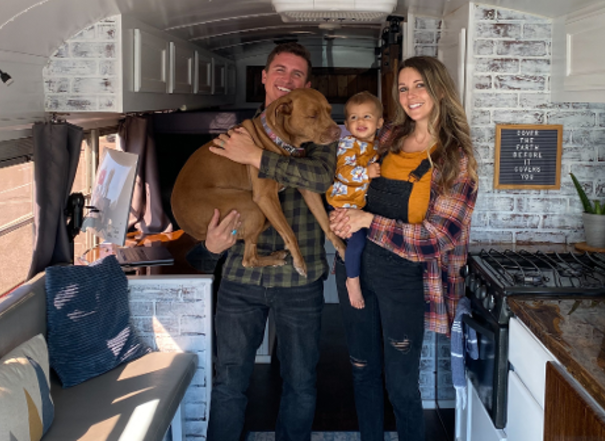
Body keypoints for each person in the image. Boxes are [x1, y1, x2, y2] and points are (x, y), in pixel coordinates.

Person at [191, 42, 337, 441]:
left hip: (299, 281)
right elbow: (209, 198)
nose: (286, 80)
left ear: (306, 84)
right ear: (264, 77)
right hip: (240, 280)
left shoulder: (320, 130)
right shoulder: (237, 136)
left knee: (301, 384)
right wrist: (211, 247)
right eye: (280, 71)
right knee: (229, 384)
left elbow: (320, 179)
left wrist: (257, 157)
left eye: (296, 75)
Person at [329, 56, 478, 441]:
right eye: (403, 88)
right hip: (355, 269)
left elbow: (435, 238)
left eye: (420, 86)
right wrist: (342, 214)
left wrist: (366, 222)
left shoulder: (455, 160)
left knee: (400, 384)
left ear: (440, 90)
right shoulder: (387, 137)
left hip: (405, 281)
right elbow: (344, 164)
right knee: (361, 369)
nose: (410, 95)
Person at [326, 91, 383, 309]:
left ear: (379, 122)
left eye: (367, 116)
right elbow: (344, 172)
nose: (360, 121)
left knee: (360, 241)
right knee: (357, 241)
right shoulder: (348, 144)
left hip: (358, 202)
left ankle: (347, 263)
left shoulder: (378, 146)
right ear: (347, 125)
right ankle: (352, 280)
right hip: (344, 201)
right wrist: (366, 172)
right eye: (353, 117)